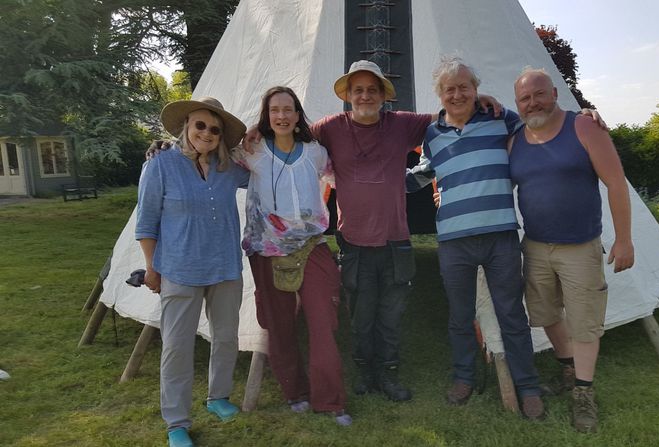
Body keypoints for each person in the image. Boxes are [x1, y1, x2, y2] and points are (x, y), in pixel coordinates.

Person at [245, 60, 500, 402]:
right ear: (348, 96)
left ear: (383, 96)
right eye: (358, 90)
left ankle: (389, 373)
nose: (365, 96)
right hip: (353, 242)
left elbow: (449, 114)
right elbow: (287, 134)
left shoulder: (403, 124)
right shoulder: (328, 128)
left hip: (396, 240)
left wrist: (476, 97)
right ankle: (365, 371)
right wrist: (256, 130)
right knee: (361, 317)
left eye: (371, 90)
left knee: (391, 316)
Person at [406, 56, 545, 420]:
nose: (457, 94)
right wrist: (371, 179)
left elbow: (538, 129)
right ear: (439, 94)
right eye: (449, 89)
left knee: (512, 313)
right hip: (453, 239)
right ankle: (464, 377)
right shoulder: (432, 134)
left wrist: (586, 120)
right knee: (460, 316)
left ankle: (528, 386)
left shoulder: (500, 118)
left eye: (464, 86)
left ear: (476, 89)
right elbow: (423, 172)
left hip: (500, 235)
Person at [510, 67, 634, 433]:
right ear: (517, 104)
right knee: (545, 313)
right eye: (525, 98)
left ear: (554, 93)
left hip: (579, 245)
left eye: (539, 94)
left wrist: (624, 239)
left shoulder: (582, 127)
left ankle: (583, 391)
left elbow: (615, 184)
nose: (533, 102)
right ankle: (567, 369)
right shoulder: (515, 138)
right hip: (535, 244)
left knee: (583, 322)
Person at [136, 96, 249, 447]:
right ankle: (176, 422)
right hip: (179, 270)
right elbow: (146, 223)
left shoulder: (229, 168)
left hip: (225, 267)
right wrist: (152, 269)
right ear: (186, 125)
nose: (207, 133)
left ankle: (218, 397)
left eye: (215, 129)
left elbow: (265, 165)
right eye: (200, 125)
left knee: (227, 337)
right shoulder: (160, 164)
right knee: (177, 347)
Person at [236, 86, 351, 426]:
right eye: (275, 111)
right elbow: (209, 151)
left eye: (288, 110)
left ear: (298, 115)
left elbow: (344, 176)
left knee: (323, 322)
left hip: (311, 247)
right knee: (279, 325)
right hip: (266, 251)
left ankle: (330, 401)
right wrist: (165, 147)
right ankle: (294, 392)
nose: (282, 116)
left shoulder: (315, 153)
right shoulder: (251, 150)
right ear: (266, 116)